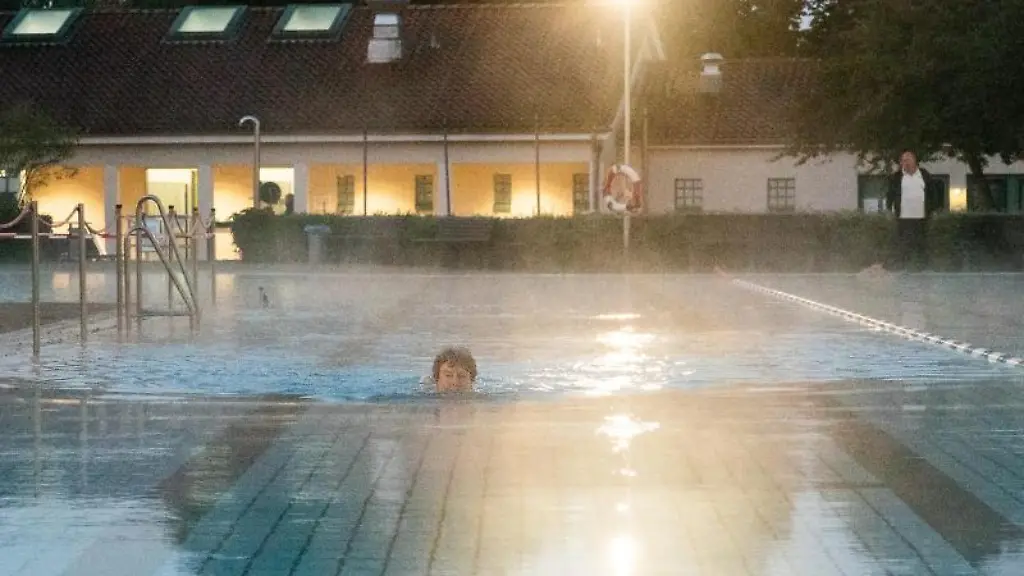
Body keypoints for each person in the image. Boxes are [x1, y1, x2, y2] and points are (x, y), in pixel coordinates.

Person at [886, 149, 943, 271]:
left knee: (922, 243)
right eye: (902, 160)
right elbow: (890, 194)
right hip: (903, 216)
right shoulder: (896, 177)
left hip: (922, 216)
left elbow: (933, 192)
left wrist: (935, 208)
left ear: (914, 161)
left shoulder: (924, 174)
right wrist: (888, 209)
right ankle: (903, 268)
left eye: (908, 160)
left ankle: (923, 268)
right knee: (903, 243)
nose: (905, 163)